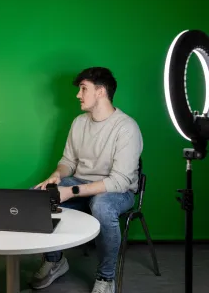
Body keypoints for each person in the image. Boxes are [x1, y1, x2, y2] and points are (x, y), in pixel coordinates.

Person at [31, 67, 143, 293]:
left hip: (117, 193)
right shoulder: (79, 122)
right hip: (80, 183)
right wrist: (57, 175)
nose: (78, 95)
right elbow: (68, 161)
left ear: (101, 91)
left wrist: (70, 191)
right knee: (38, 195)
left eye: (83, 89)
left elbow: (119, 182)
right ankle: (54, 261)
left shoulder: (127, 128)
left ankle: (105, 277)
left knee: (101, 205)